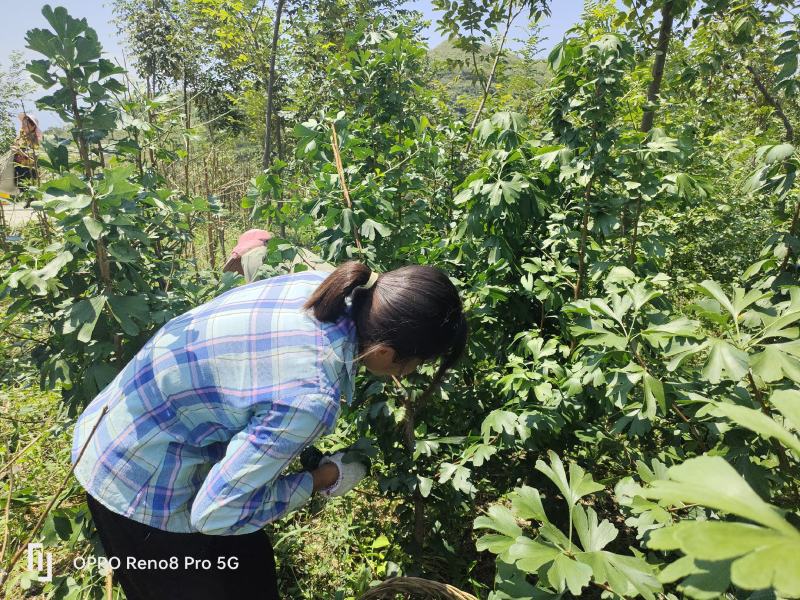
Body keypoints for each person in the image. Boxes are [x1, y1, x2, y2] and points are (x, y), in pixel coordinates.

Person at [70, 261, 467, 600]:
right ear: (384, 353)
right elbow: (216, 514)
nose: (409, 374)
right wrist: (323, 478)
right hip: (136, 482)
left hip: (139, 422)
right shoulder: (311, 397)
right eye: (414, 364)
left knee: (251, 573)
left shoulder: (328, 286)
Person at [11, 113, 41, 206]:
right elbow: (16, 145)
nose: (23, 126)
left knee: (28, 183)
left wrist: (20, 152)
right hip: (18, 165)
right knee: (18, 182)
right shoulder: (20, 136)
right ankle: (28, 200)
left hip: (29, 167)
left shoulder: (35, 140)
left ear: (32, 127)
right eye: (22, 124)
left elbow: (34, 157)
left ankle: (32, 200)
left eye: (25, 125)